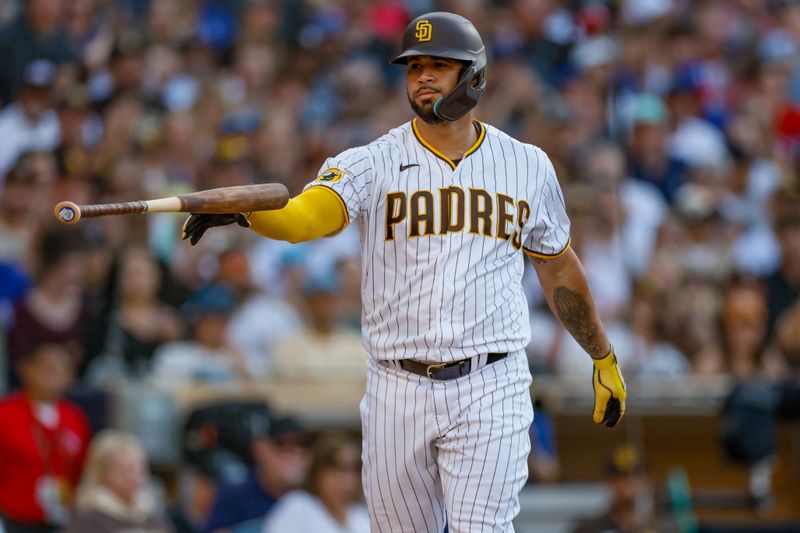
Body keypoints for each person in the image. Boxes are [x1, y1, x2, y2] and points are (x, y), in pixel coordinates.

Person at [183, 12, 627, 531]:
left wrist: (601, 354)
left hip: (491, 378)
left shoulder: (527, 164)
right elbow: (309, 216)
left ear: (474, 76)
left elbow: (558, 268)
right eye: (414, 67)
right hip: (398, 383)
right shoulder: (374, 160)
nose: (423, 77)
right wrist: (247, 211)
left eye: (440, 65)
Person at [0, 343, 90, 532]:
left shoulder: (75, 418)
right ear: (26, 369)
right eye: (47, 367)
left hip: (61, 518)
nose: (54, 374)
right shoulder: (5, 414)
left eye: (62, 368)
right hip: (13, 518)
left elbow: (81, 469)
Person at [202, 416, 309, 533]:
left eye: (302, 444)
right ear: (260, 448)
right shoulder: (235, 496)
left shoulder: (314, 496)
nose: (293, 453)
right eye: (281, 443)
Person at [63, 430, 173, 533]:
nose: (134, 477)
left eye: (139, 469)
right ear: (103, 473)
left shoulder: (152, 517)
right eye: (126, 470)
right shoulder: (88, 520)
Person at [261, 431, 370, 533]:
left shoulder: (361, 514)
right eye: (339, 468)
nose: (347, 478)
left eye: (354, 469)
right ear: (318, 471)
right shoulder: (297, 507)